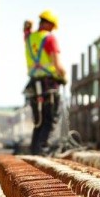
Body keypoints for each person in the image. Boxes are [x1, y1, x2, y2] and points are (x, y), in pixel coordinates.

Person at [23, 10, 67, 155]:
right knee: (50, 120)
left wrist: (27, 28)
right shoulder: (49, 39)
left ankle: (34, 153)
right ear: (48, 24)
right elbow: (57, 65)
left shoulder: (29, 38)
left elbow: (26, 32)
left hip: (33, 86)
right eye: (52, 26)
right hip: (49, 86)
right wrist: (64, 75)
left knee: (39, 122)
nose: (53, 30)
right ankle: (42, 153)